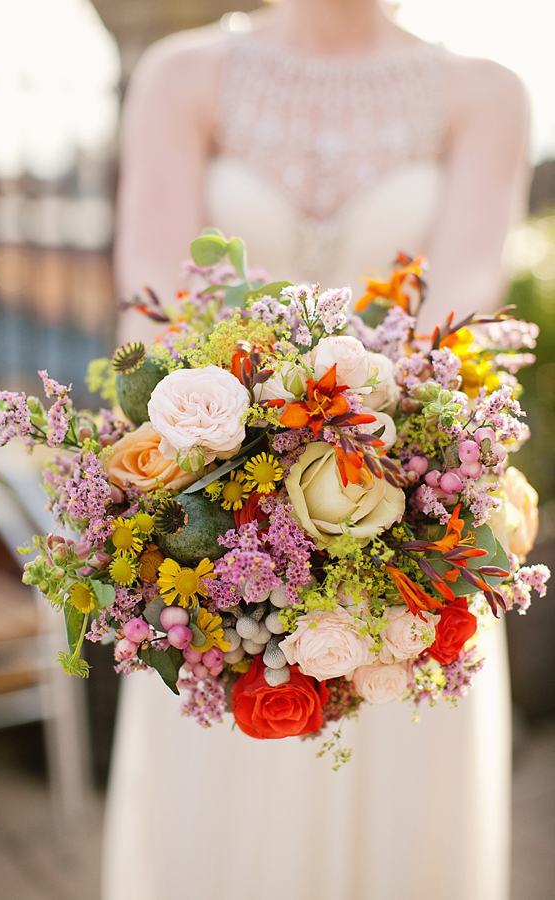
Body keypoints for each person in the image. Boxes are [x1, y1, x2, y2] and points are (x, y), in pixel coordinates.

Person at [103, 3, 529, 899]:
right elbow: (152, 312)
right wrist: (231, 500)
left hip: (408, 546)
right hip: (215, 539)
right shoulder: (183, 76)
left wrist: (374, 489)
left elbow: (464, 327)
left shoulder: (484, 94)